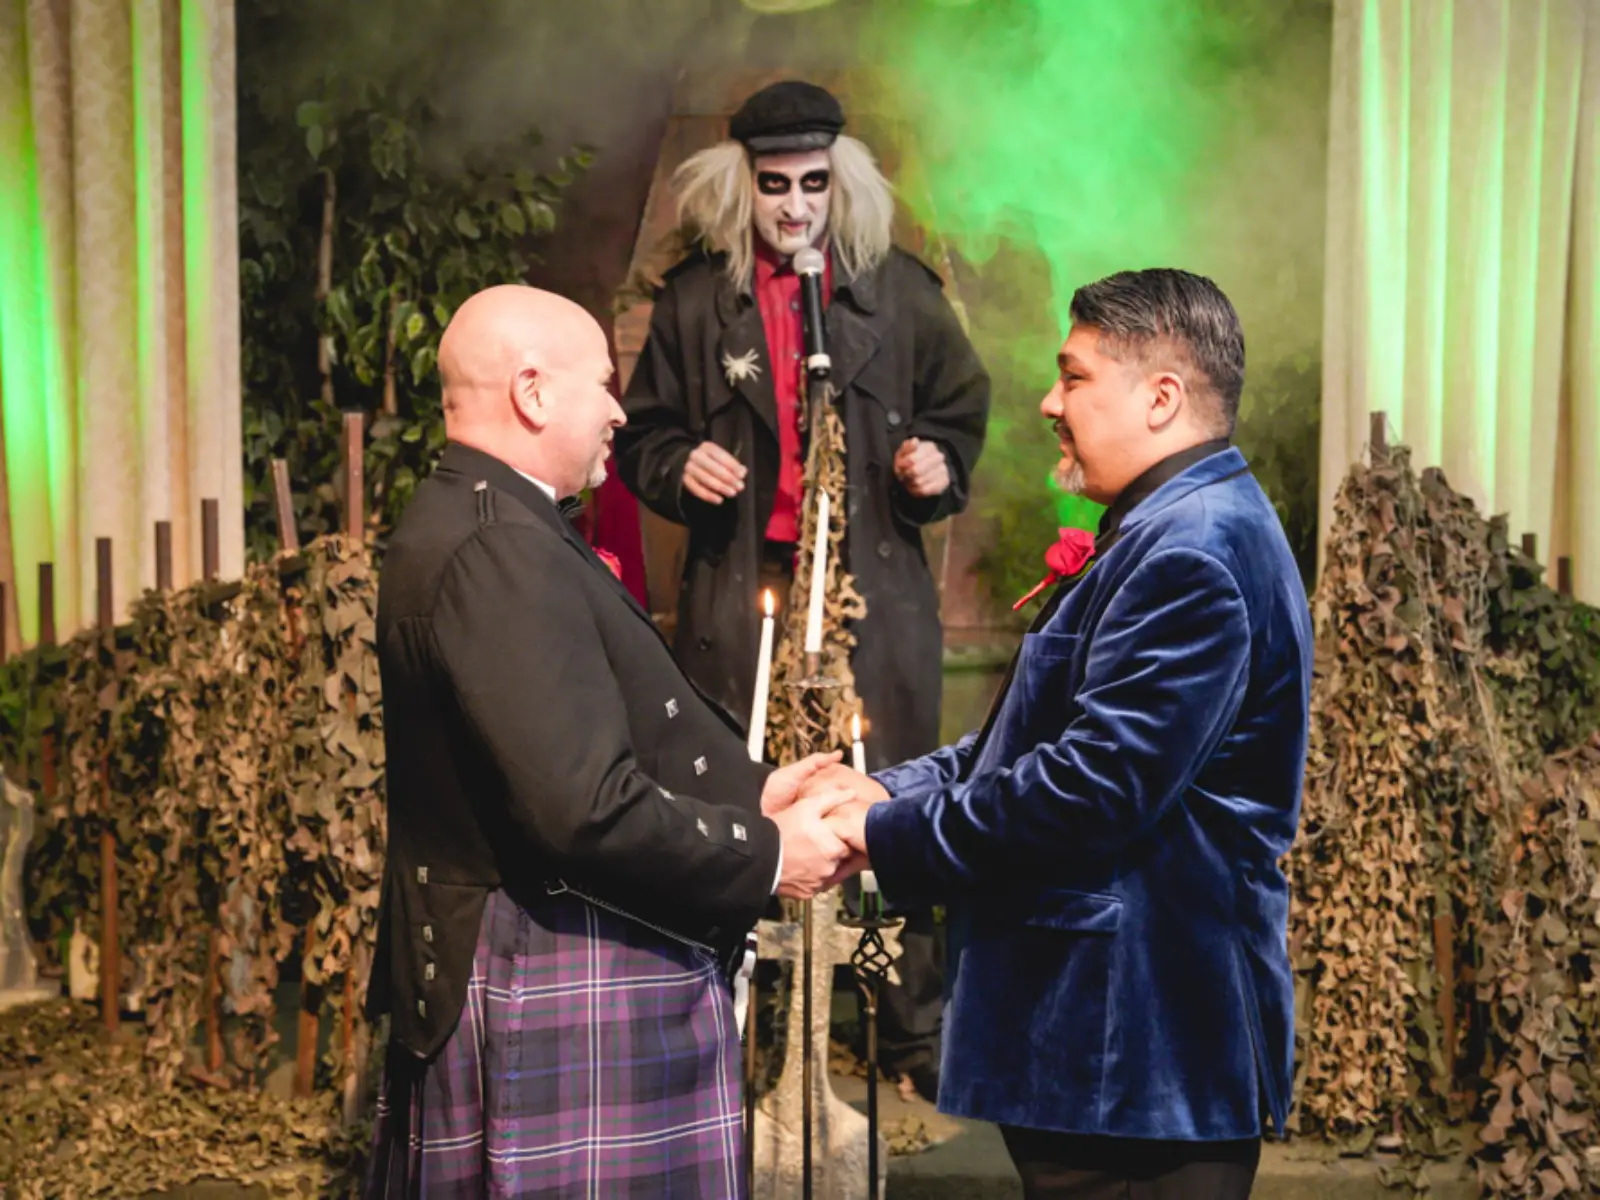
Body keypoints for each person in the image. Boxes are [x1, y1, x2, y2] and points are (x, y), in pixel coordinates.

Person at [810, 269, 1314, 1199]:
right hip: (1107, 1066)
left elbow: (1088, 795)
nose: (1048, 401)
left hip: (1137, 1057)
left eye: (1073, 377)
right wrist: (886, 790)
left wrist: (879, 838)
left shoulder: (1192, 552)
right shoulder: (1164, 527)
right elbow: (1034, 740)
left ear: (1162, 397)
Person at [362, 284, 853, 1197]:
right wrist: (766, 853)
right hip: (548, 957)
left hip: (552, 944)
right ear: (534, 392)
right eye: (603, 383)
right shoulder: (495, 545)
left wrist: (750, 795)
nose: (620, 410)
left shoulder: (498, 520)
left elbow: (577, 733)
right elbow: (581, 808)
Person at [614, 79, 990, 1098]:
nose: (794, 207)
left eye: (812, 184)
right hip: (746, 594)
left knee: (893, 795)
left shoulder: (898, 290)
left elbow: (961, 408)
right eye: (774, 185)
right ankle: (734, 1030)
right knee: (736, 792)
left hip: (872, 594)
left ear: (840, 182)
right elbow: (640, 435)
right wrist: (678, 464)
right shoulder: (699, 301)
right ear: (746, 186)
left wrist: (934, 468)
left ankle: (905, 1039)